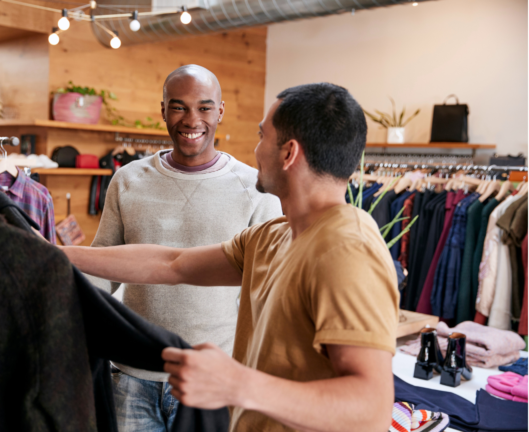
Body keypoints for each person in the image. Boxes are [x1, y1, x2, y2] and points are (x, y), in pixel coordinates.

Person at [60, 83, 397, 432]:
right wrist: (57, 255)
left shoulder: (347, 249)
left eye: (262, 135)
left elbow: (370, 409)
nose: (256, 149)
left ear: (288, 153)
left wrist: (237, 384)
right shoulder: (271, 237)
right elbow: (171, 263)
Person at [79, 64, 282, 432]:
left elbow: (265, 291)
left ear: (220, 111)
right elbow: (102, 268)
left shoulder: (255, 187)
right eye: (179, 107)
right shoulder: (127, 180)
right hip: (132, 373)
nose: (192, 119)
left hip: (212, 376)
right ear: (163, 111)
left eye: (204, 108)